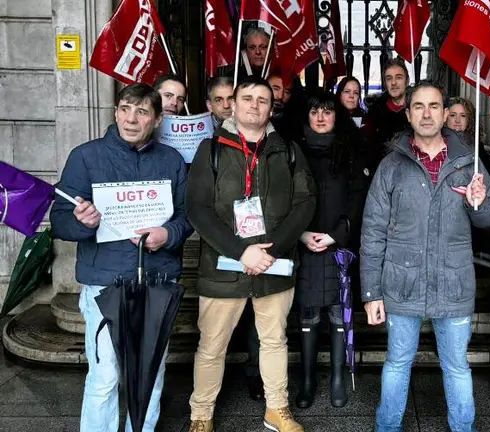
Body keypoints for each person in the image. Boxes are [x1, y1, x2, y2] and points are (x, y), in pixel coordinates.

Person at [50, 83, 192, 432]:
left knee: (150, 375)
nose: (132, 118)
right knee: (105, 377)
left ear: (157, 119)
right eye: (126, 108)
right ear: (115, 112)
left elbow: (188, 215)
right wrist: (82, 223)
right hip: (105, 283)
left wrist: (168, 234)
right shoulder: (86, 157)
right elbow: (59, 220)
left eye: (142, 111)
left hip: (157, 282)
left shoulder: (171, 160)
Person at [361, 81, 490, 432]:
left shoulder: (468, 163)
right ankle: (387, 428)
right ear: (407, 114)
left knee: (456, 366)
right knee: (397, 363)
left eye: (434, 106)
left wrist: (479, 201)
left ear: (444, 113)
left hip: (453, 282)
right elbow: (373, 230)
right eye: (419, 106)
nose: (427, 113)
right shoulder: (391, 165)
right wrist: (370, 292)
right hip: (401, 282)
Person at [185, 76, 316, 432]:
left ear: (271, 107)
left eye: (262, 99)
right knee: (212, 346)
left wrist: (270, 251)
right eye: (247, 98)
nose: (255, 105)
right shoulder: (210, 150)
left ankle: (277, 409)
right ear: (233, 104)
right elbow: (197, 208)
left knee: (274, 341)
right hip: (223, 267)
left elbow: (306, 202)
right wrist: (242, 252)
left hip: (274, 265)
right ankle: (201, 414)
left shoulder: (287, 149)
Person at [293, 91, 368, 409]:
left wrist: (337, 235)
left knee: (340, 314)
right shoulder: (293, 151)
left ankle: (338, 378)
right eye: (314, 111)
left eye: (327, 111)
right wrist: (300, 233)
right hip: (305, 246)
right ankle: (307, 380)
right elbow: (285, 200)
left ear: (337, 115)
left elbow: (358, 199)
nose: (321, 117)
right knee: (308, 315)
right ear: (307, 116)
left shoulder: (350, 151)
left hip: (340, 248)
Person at [360, 58, 410, 173]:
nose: (393, 83)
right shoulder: (375, 111)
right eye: (389, 78)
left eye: (398, 77)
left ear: (406, 81)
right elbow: (366, 148)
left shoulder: (417, 109)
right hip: (381, 173)